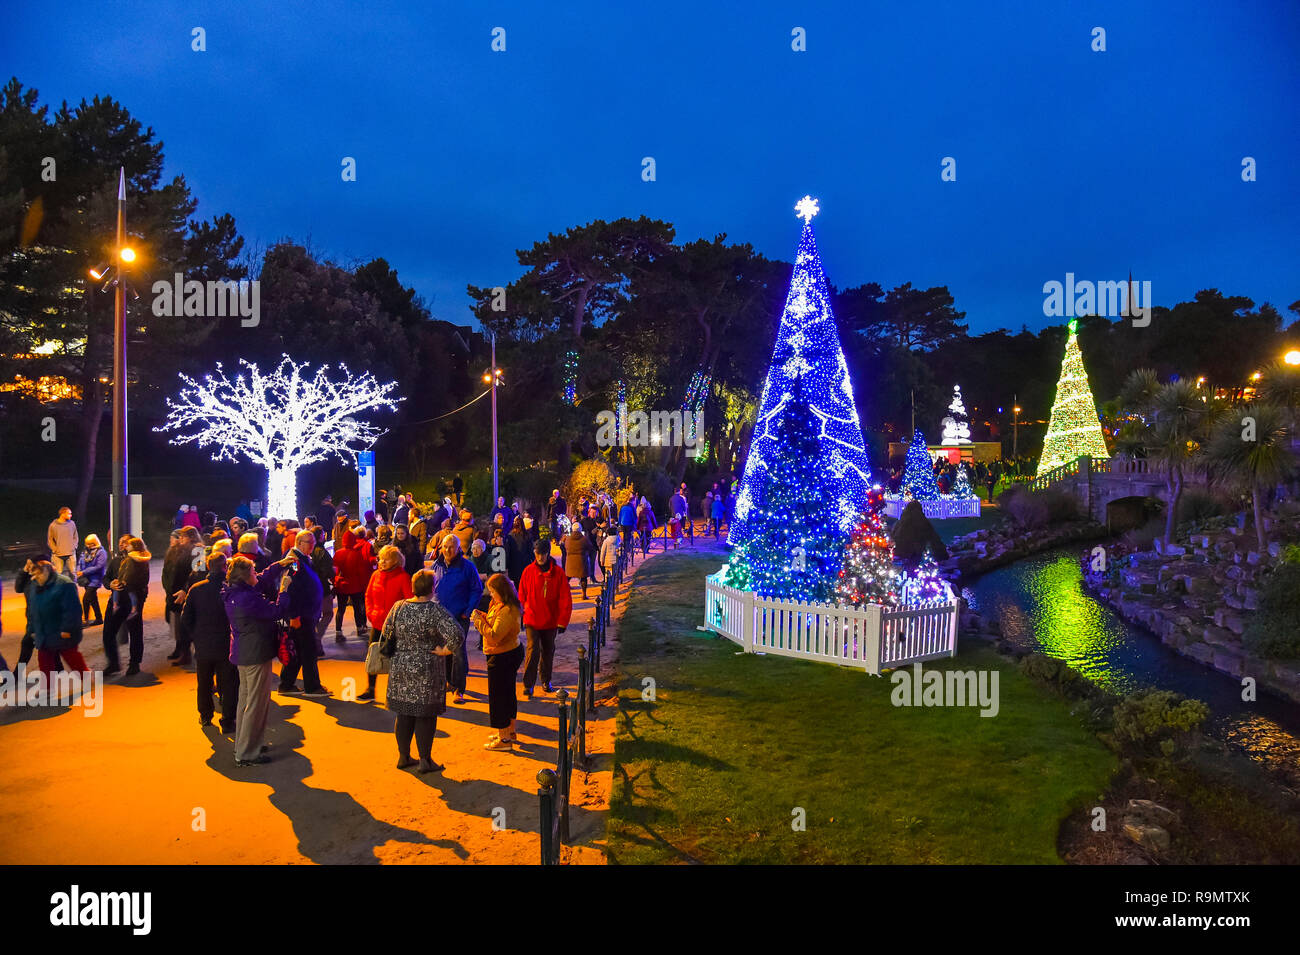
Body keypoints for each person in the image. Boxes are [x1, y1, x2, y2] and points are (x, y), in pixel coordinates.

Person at [378, 569, 461, 773]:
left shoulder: (399, 607)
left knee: (404, 712)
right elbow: (457, 635)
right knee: (425, 714)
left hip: (401, 666)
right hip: (427, 668)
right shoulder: (435, 611)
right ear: (432, 588)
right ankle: (425, 760)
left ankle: (403, 756)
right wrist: (444, 650)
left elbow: (386, 632)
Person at [223, 554, 292, 766]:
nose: (256, 574)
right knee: (256, 704)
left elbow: (260, 579)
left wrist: (278, 566)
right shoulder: (247, 598)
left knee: (246, 702)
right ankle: (247, 753)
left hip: (243, 652)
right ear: (244, 577)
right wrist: (284, 590)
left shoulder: (234, 592)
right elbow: (276, 610)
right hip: (255, 653)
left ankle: (244, 745)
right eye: (252, 571)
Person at [182, 552, 239, 734]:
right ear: (225, 567)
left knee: (204, 681)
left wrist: (195, 635)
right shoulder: (231, 588)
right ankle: (228, 719)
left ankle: (206, 715)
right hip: (226, 642)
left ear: (208, 566)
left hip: (204, 643)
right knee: (228, 682)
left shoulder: (197, 589)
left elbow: (186, 617)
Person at [268, 529, 328, 697]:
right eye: (310, 543)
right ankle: (312, 686)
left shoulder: (302, 559)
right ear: (300, 543)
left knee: (299, 650)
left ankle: (286, 684)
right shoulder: (294, 561)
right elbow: (291, 587)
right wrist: (294, 615)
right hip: (301, 614)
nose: (313, 546)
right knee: (308, 650)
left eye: (314, 543)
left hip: (305, 613)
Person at [471, 573, 525, 751]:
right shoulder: (501, 606)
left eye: (493, 591)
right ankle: (509, 731)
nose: (491, 595)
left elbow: (494, 636)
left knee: (499, 697)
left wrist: (479, 622)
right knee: (507, 694)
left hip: (503, 656)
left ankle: (504, 740)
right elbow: (496, 624)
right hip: (504, 653)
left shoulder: (508, 610)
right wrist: (484, 616)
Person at [430, 534, 482, 704]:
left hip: (459, 617)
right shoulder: (436, 565)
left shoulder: (467, 567)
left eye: (451, 546)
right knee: (444, 651)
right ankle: (448, 682)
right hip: (440, 617)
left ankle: (458, 688)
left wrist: (467, 611)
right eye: (445, 546)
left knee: (458, 652)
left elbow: (477, 589)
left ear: (458, 548)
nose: (448, 550)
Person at [518, 539, 572, 700]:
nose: (540, 557)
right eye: (537, 553)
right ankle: (528, 684)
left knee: (548, 651)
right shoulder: (528, 571)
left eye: (543, 553)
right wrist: (520, 614)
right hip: (532, 618)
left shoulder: (558, 573)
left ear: (548, 553)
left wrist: (563, 620)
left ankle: (545, 680)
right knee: (532, 650)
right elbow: (521, 594)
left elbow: (565, 598)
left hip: (550, 620)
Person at [361, 545, 413, 701]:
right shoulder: (375, 575)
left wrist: (400, 621)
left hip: (394, 627)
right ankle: (370, 689)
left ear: (395, 560)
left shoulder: (403, 577)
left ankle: (397, 691)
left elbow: (409, 600)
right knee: (373, 657)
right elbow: (368, 595)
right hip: (377, 623)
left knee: (396, 659)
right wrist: (370, 614)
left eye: (386, 559)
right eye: (380, 558)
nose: (382, 562)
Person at [24, 559, 88, 680]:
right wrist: (31, 629)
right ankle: (47, 688)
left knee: (71, 657)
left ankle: (86, 678)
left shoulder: (65, 584)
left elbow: (72, 609)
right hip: (43, 631)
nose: (35, 578)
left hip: (61, 631)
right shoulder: (35, 584)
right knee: (44, 660)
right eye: (34, 575)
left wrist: (67, 629)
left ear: (46, 571)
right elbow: (32, 609)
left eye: (38, 574)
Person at [106, 537, 151, 676]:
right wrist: (110, 584)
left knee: (135, 631)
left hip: (132, 601)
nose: (122, 544)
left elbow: (141, 581)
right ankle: (113, 663)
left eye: (125, 543)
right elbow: (106, 578)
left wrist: (125, 584)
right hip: (117, 600)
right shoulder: (116, 560)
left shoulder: (140, 560)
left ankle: (134, 663)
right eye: (120, 542)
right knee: (108, 631)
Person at [163, 527, 200, 665]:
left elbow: (197, 574)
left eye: (183, 537)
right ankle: (182, 651)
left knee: (186, 624)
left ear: (191, 537)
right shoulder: (180, 550)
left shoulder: (198, 551)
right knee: (178, 623)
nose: (181, 539)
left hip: (188, 594)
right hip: (175, 592)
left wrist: (185, 590)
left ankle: (187, 654)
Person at [332, 528, 370, 643]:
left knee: (341, 609)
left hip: (342, 585)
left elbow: (334, 570)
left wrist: (335, 581)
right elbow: (361, 572)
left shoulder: (338, 553)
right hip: (355, 585)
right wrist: (364, 586)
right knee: (357, 608)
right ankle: (359, 628)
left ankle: (338, 631)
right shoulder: (357, 554)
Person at [309, 525, 335, 650]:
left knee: (314, 615)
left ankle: (314, 639)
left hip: (309, 588)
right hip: (322, 588)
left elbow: (294, 569)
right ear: (319, 536)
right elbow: (327, 571)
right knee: (327, 613)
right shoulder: (322, 552)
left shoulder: (305, 552)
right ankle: (316, 637)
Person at [76, 534, 108, 626]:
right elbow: (80, 562)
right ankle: (99, 618)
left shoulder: (101, 552)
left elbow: (99, 566)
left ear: (95, 542)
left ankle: (85, 619)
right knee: (93, 599)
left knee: (86, 599)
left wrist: (84, 572)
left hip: (95, 579)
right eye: (87, 544)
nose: (88, 546)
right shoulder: (85, 551)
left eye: (90, 544)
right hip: (86, 579)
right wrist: (79, 570)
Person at [47, 506, 79, 579]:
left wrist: (74, 546)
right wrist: (55, 549)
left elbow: (75, 536)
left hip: (71, 553)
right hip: (58, 554)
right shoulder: (53, 525)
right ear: (63, 514)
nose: (71, 515)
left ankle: (72, 588)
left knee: (73, 574)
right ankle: (58, 589)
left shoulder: (72, 524)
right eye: (69, 513)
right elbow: (50, 539)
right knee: (57, 574)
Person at [564, 524, 589, 599]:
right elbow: (589, 546)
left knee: (567, 578)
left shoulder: (568, 539)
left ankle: (563, 593)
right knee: (583, 578)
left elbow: (566, 547)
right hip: (581, 561)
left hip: (570, 561)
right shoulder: (584, 539)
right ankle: (584, 594)